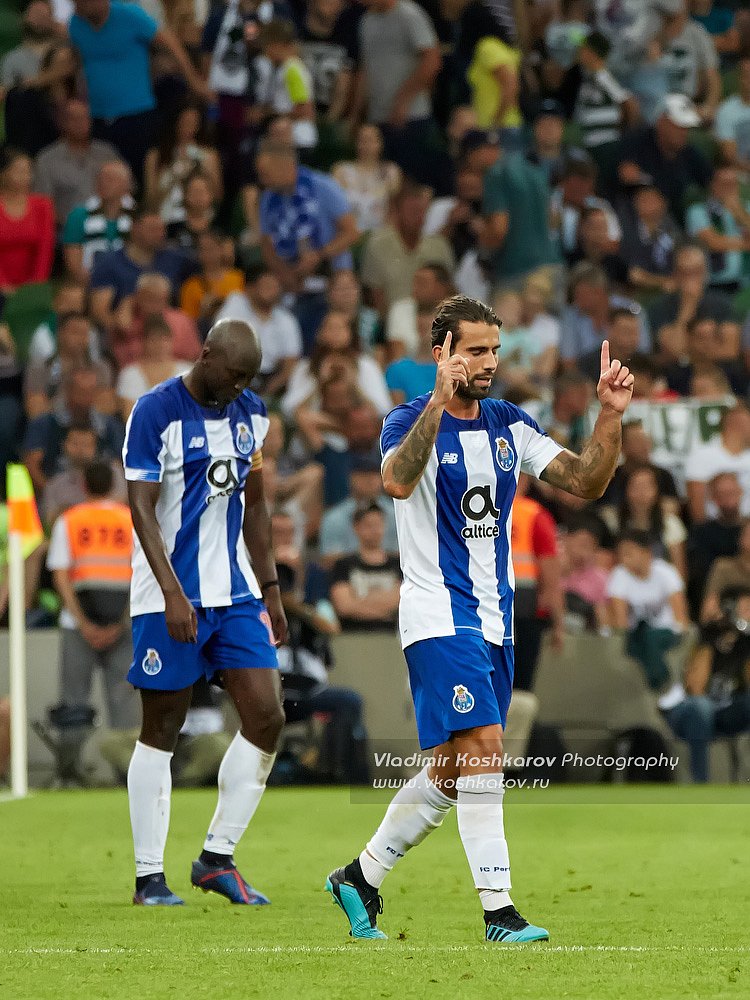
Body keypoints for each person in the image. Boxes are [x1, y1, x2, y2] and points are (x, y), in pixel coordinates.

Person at [325, 293, 635, 943]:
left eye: (494, 349)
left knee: (450, 768)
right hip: (437, 614)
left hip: (497, 621)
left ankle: (360, 876)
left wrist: (609, 416)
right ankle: (499, 912)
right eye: (475, 350)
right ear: (441, 353)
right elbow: (396, 482)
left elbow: (585, 480)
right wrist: (438, 400)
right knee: (487, 750)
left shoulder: (508, 423)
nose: (489, 361)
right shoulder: (407, 420)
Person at [122, 316, 288, 905]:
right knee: (162, 729)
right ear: (208, 355)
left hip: (238, 595)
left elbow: (257, 505)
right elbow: (140, 507)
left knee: (267, 717)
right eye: (234, 373)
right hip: (171, 596)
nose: (240, 386)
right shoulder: (155, 411)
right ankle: (148, 878)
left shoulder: (252, 414)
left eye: (249, 377)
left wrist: (270, 591)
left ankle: (217, 858)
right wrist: (171, 592)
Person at [46, 460, 138, 784]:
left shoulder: (70, 521)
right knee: (125, 702)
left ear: (84, 485)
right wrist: (121, 622)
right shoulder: (130, 521)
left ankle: (70, 773)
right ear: (114, 486)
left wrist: (82, 622)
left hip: (77, 626)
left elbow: (60, 575)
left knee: (74, 701)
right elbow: (143, 574)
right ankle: (128, 774)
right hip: (123, 624)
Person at [69, 0, 212, 183]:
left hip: (136, 115)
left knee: (139, 176)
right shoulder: (76, 24)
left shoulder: (130, 15)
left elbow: (171, 43)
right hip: (98, 117)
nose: (77, 6)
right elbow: (76, 62)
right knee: (104, 178)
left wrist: (193, 80)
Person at [355, 0, 442, 188]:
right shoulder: (366, 22)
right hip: (378, 119)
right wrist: (357, 113)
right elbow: (366, 69)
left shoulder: (409, 15)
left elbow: (432, 59)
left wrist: (404, 100)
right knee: (383, 185)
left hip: (412, 118)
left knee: (411, 183)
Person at [607, 528, 689, 693]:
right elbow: (620, 618)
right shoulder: (619, 575)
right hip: (637, 634)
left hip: (667, 631)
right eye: (621, 555)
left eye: (629, 553)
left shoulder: (666, 572)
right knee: (638, 639)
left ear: (646, 552)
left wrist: (682, 632)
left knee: (649, 636)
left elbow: (680, 613)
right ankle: (665, 688)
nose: (624, 559)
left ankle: (659, 683)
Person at [21, 364, 124, 494]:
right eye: (81, 392)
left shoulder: (110, 426)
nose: (86, 398)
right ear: (68, 390)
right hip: (58, 494)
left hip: (103, 496)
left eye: (91, 392)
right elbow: (31, 465)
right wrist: (51, 493)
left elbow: (121, 465)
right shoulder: (44, 424)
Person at [361, 180, 455, 315]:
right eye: (413, 211)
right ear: (397, 211)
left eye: (422, 211)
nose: (419, 217)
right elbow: (374, 294)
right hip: (391, 321)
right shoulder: (378, 244)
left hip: (433, 320)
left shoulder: (440, 246)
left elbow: (449, 291)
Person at [214, 263, 302, 396]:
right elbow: (220, 346)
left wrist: (267, 393)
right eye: (266, 286)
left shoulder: (286, 319)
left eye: (275, 286)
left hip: (271, 378)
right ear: (250, 288)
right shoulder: (235, 304)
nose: (272, 291)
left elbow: (290, 364)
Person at [34, 98, 119, 226]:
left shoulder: (107, 153)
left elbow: (127, 192)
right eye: (74, 119)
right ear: (62, 122)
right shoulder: (46, 160)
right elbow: (43, 204)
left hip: (109, 227)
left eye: (85, 118)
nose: (81, 124)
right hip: (66, 231)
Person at [143, 103, 222, 225]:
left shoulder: (208, 155)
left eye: (194, 122)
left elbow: (218, 196)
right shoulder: (155, 156)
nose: (189, 127)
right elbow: (150, 201)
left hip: (199, 222)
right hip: (165, 219)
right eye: (185, 121)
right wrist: (173, 175)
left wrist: (201, 171)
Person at [329, 501, 401, 630]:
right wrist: (385, 607)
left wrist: (360, 602)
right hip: (354, 635)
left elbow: (401, 602)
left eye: (378, 524)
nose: (375, 530)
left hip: (392, 635)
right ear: (356, 527)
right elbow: (344, 606)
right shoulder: (344, 565)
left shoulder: (398, 564)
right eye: (369, 525)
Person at [61, 159, 135, 284]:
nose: (103, 183)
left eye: (110, 179)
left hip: (129, 281)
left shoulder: (137, 216)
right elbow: (73, 259)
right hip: (90, 280)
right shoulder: (78, 215)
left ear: (126, 185)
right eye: (100, 179)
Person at [0, 146, 55, 299]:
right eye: (19, 171)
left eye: (28, 171)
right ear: (4, 173)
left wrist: (35, 286)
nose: (26, 177)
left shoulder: (43, 205)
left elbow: (45, 249)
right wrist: (3, 286)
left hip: (32, 286)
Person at [116, 315, 191, 421]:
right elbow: (129, 416)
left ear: (171, 341)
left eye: (163, 339)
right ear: (144, 342)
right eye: (153, 340)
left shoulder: (186, 372)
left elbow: (191, 410)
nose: (159, 345)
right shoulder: (130, 374)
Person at [331, 124, 402, 235]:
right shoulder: (341, 170)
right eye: (362, 140)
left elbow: (395, 209)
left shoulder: (391, 171)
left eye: (370, 140)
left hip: (379, 234)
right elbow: (334, 207)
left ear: (380, 144)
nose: (366, 145)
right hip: (349, 233)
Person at [686, 403, 750, 522]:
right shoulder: (702, 455)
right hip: (715, 527)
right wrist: (703, 531)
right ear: (737, 424)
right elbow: (696, 500)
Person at [179, 229, 244, 325]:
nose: (208, 254)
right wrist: (203, 313)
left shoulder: (239, 278)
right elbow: (187, 323)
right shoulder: (191, 286)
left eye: (212, 248)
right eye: (203, 249)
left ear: (221, 249)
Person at [714, 56, 750, 173]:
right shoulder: (727, 110)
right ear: (739, 79)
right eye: (747, 76)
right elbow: (729, 156)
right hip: (741, 174)